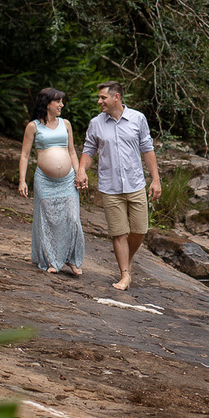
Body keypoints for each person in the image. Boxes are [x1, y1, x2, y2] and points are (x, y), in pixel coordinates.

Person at [76, 81, 161, 291]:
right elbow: (89, 149)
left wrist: (155, 180)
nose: (99, 101)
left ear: (116, 97)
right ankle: (125, 274)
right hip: (110, 186)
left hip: (135, 183)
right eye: (99, 97)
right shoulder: (96, 123)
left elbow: (147, 149)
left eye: (103, 97)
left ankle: (127, 261)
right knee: (119, 233)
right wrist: (81, 170)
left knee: (140, 229)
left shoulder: (137, 118)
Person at [18, 87, 85, 276]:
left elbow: (72, 152)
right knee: (47, 220)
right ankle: (52, 260)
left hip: (68, 180)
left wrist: (79, 173)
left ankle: (72, 260)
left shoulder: (66, 124)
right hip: (44, 181)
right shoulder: (33, 126)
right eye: (58, 101)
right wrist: (22, 180)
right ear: (47, 104)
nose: (62, 105)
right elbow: (24, 155)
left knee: (72, 219)